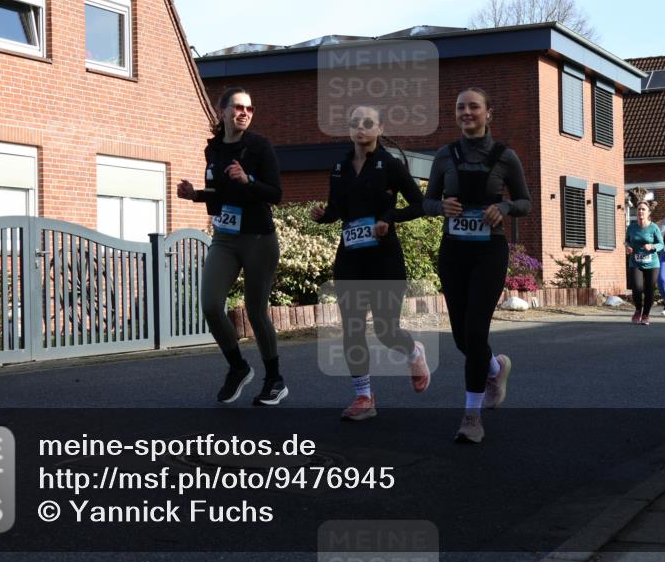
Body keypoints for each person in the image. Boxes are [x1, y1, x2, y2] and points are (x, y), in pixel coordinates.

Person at [423, 87, 531, 444]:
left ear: (489, 113)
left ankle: (471, 416)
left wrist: (504, 208)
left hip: (489, 251)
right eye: (460, 107)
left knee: (475, 332)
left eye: (474, 107)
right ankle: (496, 368)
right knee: (460, 338)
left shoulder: (505, 156)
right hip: (453, 251)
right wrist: (442, 208)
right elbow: (427, 202)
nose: (466, 112)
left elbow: (525, 202)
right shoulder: (444, 155)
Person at [310, 105, 429, 421]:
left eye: (367, 123)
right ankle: (364, 396)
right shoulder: (340, 166)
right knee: (352, 327)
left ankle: (414, 352)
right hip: (350, 257)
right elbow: (337, 209)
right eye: (354, 123)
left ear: (379, 128)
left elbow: (419, 205)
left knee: (387, 329)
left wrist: (388, 218)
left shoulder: (390, 165)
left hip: (384, 257)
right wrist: (325, 216)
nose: (360, 128)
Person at [176, 87, 287, 405]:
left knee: (255, 309)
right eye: (238, 107)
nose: (245, 113)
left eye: (250, 109)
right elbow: (218, 194)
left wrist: (248, 181)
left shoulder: (260, 146)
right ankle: (238, 367)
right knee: (211, 304)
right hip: (225, 237)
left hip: (258, 238)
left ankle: (274, 379)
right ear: (222, 111)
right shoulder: (213, 150)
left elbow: (275, 194)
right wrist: (195, 194)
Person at [625, 200, 665, 326]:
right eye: (639, 209)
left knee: (649, 290)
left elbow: (661, 245)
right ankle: (638, 310)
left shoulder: (654, 227)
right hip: (635, 262)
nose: (640, 211)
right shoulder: (631, 227)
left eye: (643, 209)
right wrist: (627, 247)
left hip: (652, 264)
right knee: (637, 288)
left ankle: (646, 314)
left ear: (648, 213)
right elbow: (626, 241)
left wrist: (652, 246)